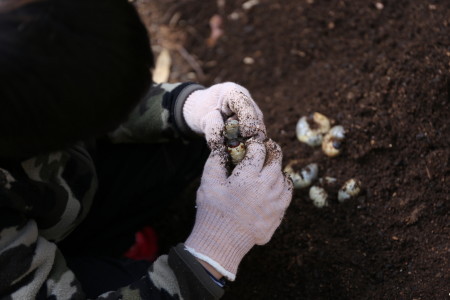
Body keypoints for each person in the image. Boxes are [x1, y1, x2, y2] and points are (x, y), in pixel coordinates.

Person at [0, 0, 293, 299]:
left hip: (57, 191)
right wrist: (211, 257)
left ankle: (110, 240)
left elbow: (90, 93)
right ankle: (103, 257)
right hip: (30, 275)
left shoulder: (23, 61)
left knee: (192, 139)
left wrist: (184, 107)